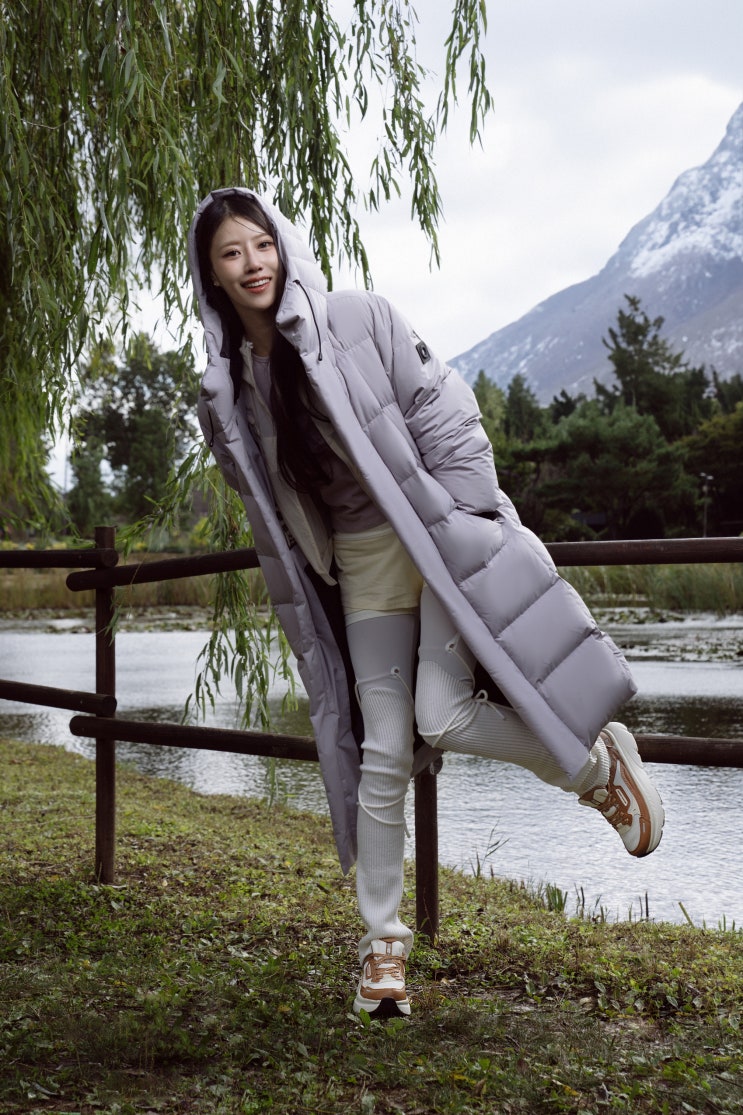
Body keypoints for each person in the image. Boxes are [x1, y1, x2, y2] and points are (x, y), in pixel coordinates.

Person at [188, 187, 665, 1019]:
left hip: (436, 541)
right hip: (361, 563)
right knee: (382, 747)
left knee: (438, 714)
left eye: (261, 243)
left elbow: (445, 411)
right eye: (232, 253)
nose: (252, 263)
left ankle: (596, 772)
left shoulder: (359, 316)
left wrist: (462, 517)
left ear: (282, 245)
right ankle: (382, 950)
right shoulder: (225, 388)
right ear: (213, 276)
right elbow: (269, 505)